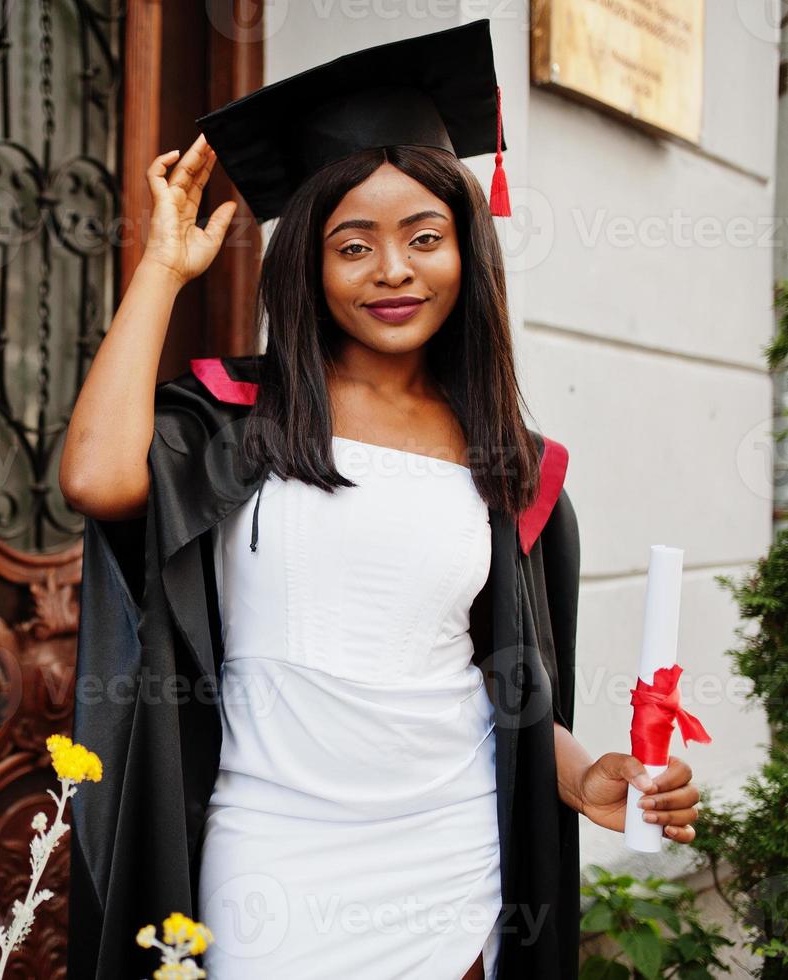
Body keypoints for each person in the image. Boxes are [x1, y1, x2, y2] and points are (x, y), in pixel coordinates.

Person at [60, 19, 702, 980]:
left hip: (448, 867)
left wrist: (580, 777)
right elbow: (95, 478)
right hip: (269, 862)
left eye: (424, 238)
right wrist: (160, 268)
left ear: (465, 253)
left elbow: (494, 673)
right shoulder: (239, 420)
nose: (392, 271)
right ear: (309, 268)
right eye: (352, 244)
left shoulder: (510, 463)